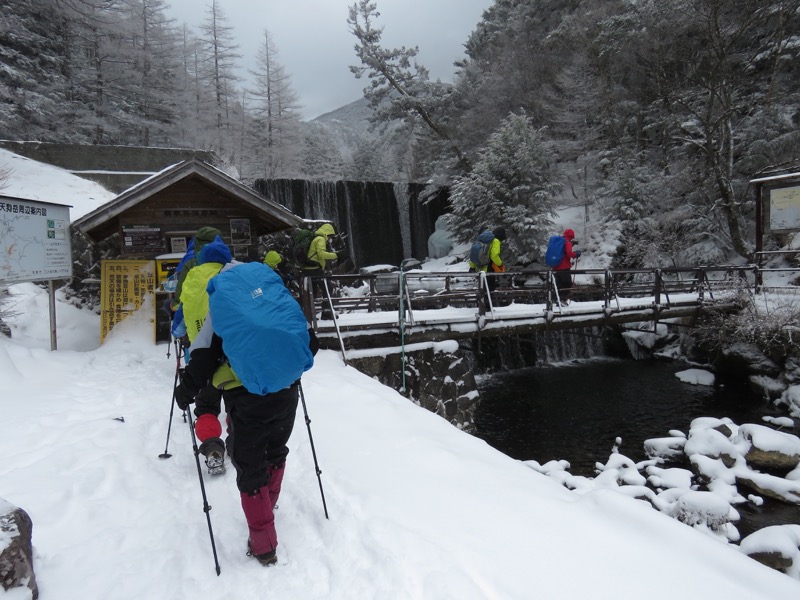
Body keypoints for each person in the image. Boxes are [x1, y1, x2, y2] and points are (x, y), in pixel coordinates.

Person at [175, 262, 317, 567]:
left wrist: (185, 392)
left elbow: (202, 358)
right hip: (287, 391)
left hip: (246, 399)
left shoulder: (224, 308)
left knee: (250, 466)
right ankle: (270, 503)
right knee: (276, 451)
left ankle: (264, 544)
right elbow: (312, 342)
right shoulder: (277, 298)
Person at [179, 235, 233, 475]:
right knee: (236, 400)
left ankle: (212, 447)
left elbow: (181, 316)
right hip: (231, 351)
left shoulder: (191, 279)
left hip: (199, 353)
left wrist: (179, 334)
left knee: (207, 404)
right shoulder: (232, 277)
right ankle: (239, 441)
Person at [469, 227, 506, 292]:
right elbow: (494, 255)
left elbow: (474, 253)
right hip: (488, 268)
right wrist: (500, 264)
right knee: (490, 289)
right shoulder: (495, 241)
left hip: (480, 268)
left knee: (483, 289)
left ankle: (483, 301)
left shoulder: (481, 240)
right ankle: (489, 301)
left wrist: (472, 267)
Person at [553, 228, 581, 304]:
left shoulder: (559, 242)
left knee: (559, 284)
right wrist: (576, 254)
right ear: (571, 236)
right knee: (567, 283)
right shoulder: (567, 242)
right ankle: (562, 300)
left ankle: (558, 299)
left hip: (556, 266)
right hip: (564, 267)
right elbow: (569, 253)